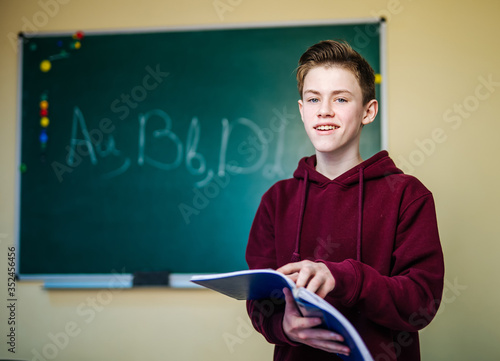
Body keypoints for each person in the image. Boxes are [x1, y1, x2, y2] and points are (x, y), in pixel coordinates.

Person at [245, 40, 444, 361]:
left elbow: (421, 303)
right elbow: (259, 300)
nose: (324, 110)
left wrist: (344, 277)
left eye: (340, 98)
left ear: (368, 111)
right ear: (302, 110)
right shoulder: (276, 200)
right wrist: (281, 326)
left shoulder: (409, 195)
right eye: (313, 99)